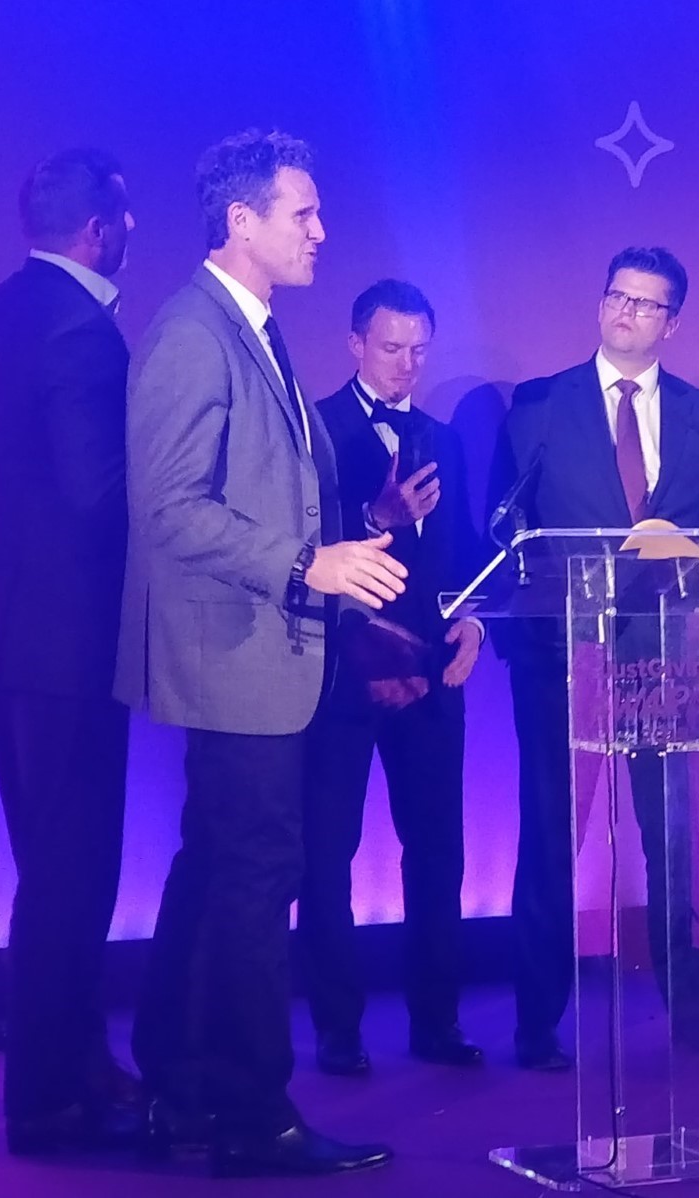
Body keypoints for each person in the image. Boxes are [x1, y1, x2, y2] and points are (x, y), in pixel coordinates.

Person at [116, 129, 401, 1177]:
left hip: (267, 651)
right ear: (241, 221)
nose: (322, 230)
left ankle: (183, 1084)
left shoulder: (257, 329)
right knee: (252, 875)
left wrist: (342, 546)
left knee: (221, 867)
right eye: (303, 214)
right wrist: (304, 563)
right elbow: (171, 509)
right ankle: (251, 1112)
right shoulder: (195, 332)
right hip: (232, 652)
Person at [490, 246, 699, 1070]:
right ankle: (536, 1022)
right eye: (617, 297)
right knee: (550, 836)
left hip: (673, 657)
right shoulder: (540, 407)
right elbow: (505, 533)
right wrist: (521, 640)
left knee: (676, 842)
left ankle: (693, 1018)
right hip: (571, 656)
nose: (627, 313)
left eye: (647, 303)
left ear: (673, 321)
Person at [0, 147, 140, 1156]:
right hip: (64, 649)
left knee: (45, 866)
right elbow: (96, 498)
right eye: (129, 219)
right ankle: (53, 1099)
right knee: (72, 873)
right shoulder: (84, 332)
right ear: (100, 230)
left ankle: (76, 1064)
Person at [298, 279, 486, 1077]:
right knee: (327, 854)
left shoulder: (444, 436)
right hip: (339, 679)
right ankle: (338, 1030)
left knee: (438, 852)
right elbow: (299, 544)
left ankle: (436, 1022)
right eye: (389, 348)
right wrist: (377, 522)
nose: (406, 364)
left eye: (418, 349)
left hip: (432, 679)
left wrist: (474, 621)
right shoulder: (313, 427)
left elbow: (470, 552)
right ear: (354, 344)